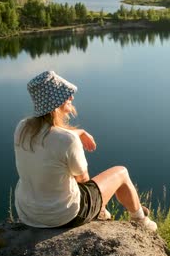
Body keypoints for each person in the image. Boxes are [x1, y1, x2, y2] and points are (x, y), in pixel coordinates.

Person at [13, 71, 157, 231]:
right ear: (56, 103)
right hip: (64, 217)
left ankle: (108, 211)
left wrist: (79, 132)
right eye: (66, 95)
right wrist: (98, 204)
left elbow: (50, 140)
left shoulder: (22, 128)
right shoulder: (67, 140)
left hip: (29, 214)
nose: (71, 98)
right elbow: (83, 180)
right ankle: (141, 220)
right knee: (121, 173)